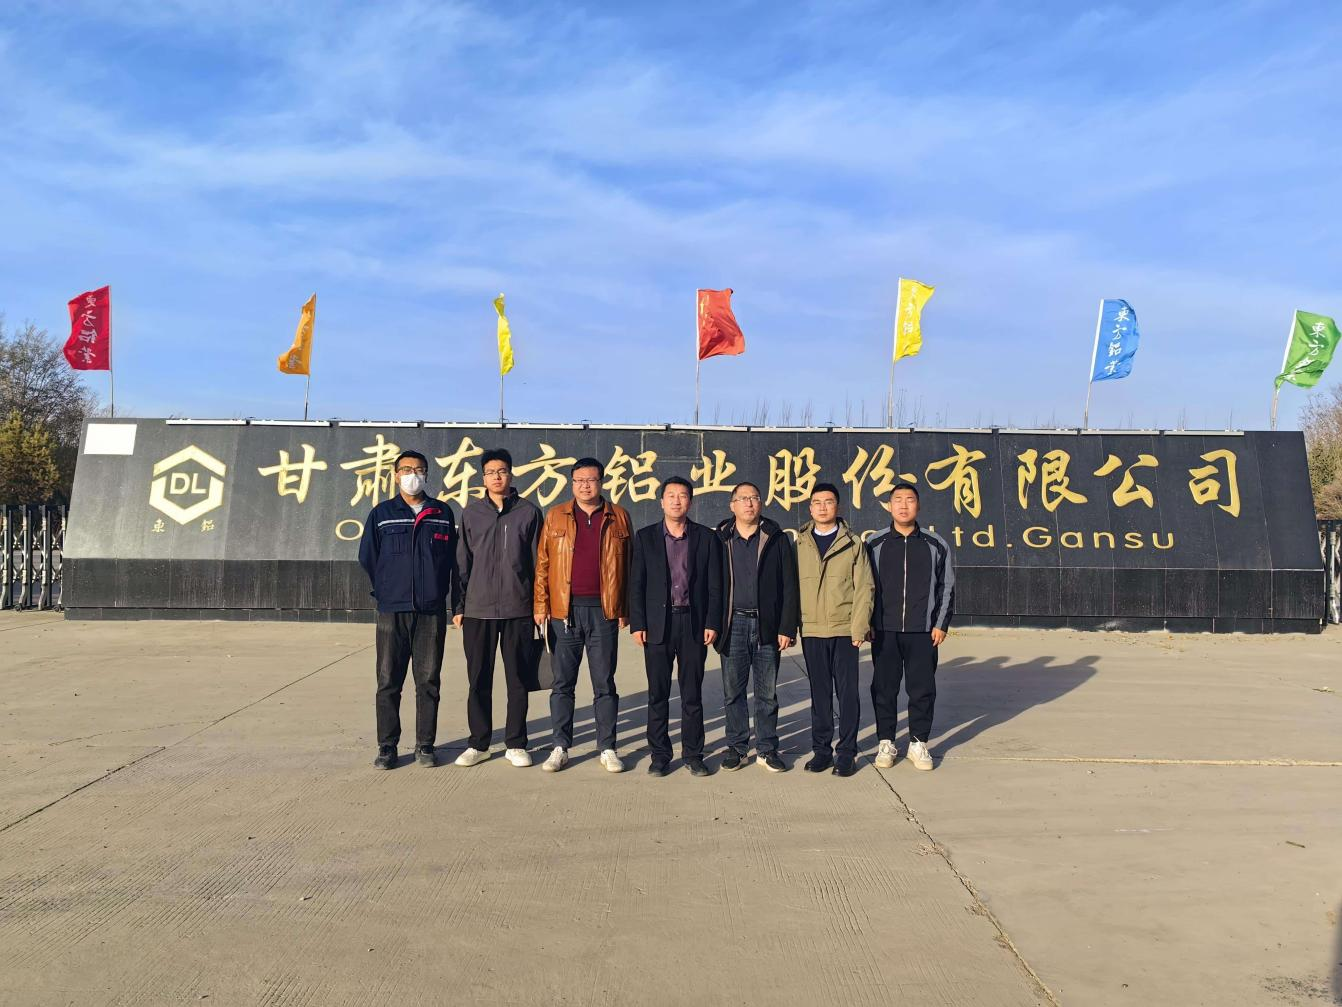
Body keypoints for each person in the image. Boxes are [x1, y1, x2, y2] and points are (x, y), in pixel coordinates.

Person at [357, 450, 458, 770]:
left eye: (419, 470)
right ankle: (387, 746)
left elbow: (452, 561)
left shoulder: (441, 512)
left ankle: (425, 745)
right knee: (388, 680)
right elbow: (368, 556)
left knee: (428, 680)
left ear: (427, 474)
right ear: (395, 475)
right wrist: (387, 589)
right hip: (393, 610)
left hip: (430, 611)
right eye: (406, 469)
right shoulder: (382, 513)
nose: (413, 475)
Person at [534, 457, 634, 774]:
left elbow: (630, 567)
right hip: (565, 612)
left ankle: (607, 747)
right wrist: (541, 605)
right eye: (579, 480)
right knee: (562, 683)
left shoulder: (619, 516)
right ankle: (560, 747)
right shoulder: (556, 516)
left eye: (591, 480)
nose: (585, 486)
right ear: (572, 483)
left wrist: (625, 608)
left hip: (604, 612)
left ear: (601, 482)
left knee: (604, 683)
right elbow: (543, 564)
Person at [452, 448, 542, 768]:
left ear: (511, 474)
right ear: (483, 478)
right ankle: (478, 743)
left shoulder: (529, 512)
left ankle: (516, 743)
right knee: (478, 679)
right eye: (491, 472)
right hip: (478, 609)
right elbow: (462, 562)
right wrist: (459, 605)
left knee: (518, 680)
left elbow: (539, 564)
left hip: (519, 609)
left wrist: (539, 605)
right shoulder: (472, 513)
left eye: (502, 471)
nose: (497, 477)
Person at [629, 476, 723, 777]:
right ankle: (660, 755)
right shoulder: (645, 537)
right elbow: (636, 583)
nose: (676, 501)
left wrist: (712, 621)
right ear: (661, 501)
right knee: (657, 694)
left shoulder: (706, 538)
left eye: (682, 495)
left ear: (690, 502)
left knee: (691, 694)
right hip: (659, 624)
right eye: (670, 495)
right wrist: (638, 623)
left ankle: (694, 754)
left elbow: (715, 585)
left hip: (693, 623)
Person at [866, 482, 955, 773]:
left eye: (910, 500)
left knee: (922, 689)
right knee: (884, 689)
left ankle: (918, 742)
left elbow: (947, 586)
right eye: (898, 500)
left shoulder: (935, 544)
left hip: (923, 631)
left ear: (918, 505)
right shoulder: (875, 544)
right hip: (885, 630)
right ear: (889, 505)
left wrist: (940, 624)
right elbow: (865, 588)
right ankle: (886, 742)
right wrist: (868, 623)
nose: (903, 505)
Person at [714, 481, 799, 773]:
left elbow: (789, 586)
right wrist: (713, 623)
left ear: (761, 503)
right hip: (733, 623)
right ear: (732, 505)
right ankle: (737, 748)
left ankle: (766, 748)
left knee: (767, 694)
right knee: (733, 692)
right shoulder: (721, 538)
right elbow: (713, 585)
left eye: (754, 497)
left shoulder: (776, 538)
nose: (749, 503)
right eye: (743, 498)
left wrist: (786, 627)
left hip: (767, 624)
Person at [795, 482, 873, 778]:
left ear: (837, 507)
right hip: (812, 630)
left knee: (847, 694)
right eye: (817, 502)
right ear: (810, 507)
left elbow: (864, 587)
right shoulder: (800, 543)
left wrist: (859, 628)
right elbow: (790, 587)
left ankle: (847, 753)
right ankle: (822, 751)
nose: (822, 507)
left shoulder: (853, 543)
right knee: (820, 695)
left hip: (844, 630)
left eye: (828, 502)